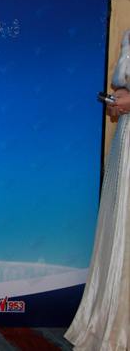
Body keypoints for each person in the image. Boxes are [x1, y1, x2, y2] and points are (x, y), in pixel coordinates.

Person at [65, 29, 130, 350]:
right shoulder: (129, 34)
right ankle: (115, 322)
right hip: (126, 141)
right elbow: (123, 84)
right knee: (121, 227)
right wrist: (118, 100)